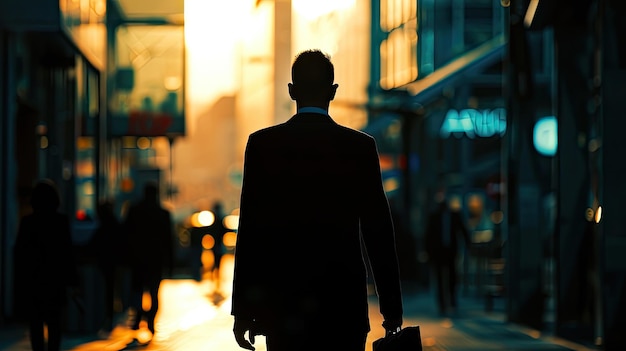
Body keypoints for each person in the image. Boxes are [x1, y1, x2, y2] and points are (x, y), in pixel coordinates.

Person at [231, 49, 403, 351]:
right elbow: (379, 232)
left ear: (292, 91)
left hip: (284, 307)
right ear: (333, 92)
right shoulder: (360, 147)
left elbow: (251, 233)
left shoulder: (263, 145)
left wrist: (244, 311)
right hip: (343, 307)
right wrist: (391, 310)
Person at [13, 179, 80, 351]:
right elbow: (67, 253)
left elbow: (20, 254)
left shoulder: (28, 222)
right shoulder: (61, 222)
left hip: (34, 280)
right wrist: (72, 281)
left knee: (35, 323)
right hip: (55, 281)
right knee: (54, 323)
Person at [123, 182, 174, 338]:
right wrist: (170, 261)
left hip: (138, 258)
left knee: (137, 290)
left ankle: (138, 316)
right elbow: (169, 240)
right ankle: (151, 320)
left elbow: (126, 235)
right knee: (154, 292)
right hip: (156, 259)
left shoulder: (134, 211)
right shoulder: (163, 213)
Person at [424, 188, 471, 315]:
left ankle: (452, 300)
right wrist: (427, 252)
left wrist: (468, 244)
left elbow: (463, 231)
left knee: (452, 277)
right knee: (439, 278)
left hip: (451, 251)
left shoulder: (455, 215)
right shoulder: (434, 217)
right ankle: (442, 304)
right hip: (438, 252)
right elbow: (428, 235)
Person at [87, 199, 126, 334]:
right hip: (114, 262)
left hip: (105, 263)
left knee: (105, 290)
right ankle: (112, 314)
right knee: (111, 290)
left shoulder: (103, 227)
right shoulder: (115, 224)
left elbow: (93, 245)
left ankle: (106, 315)